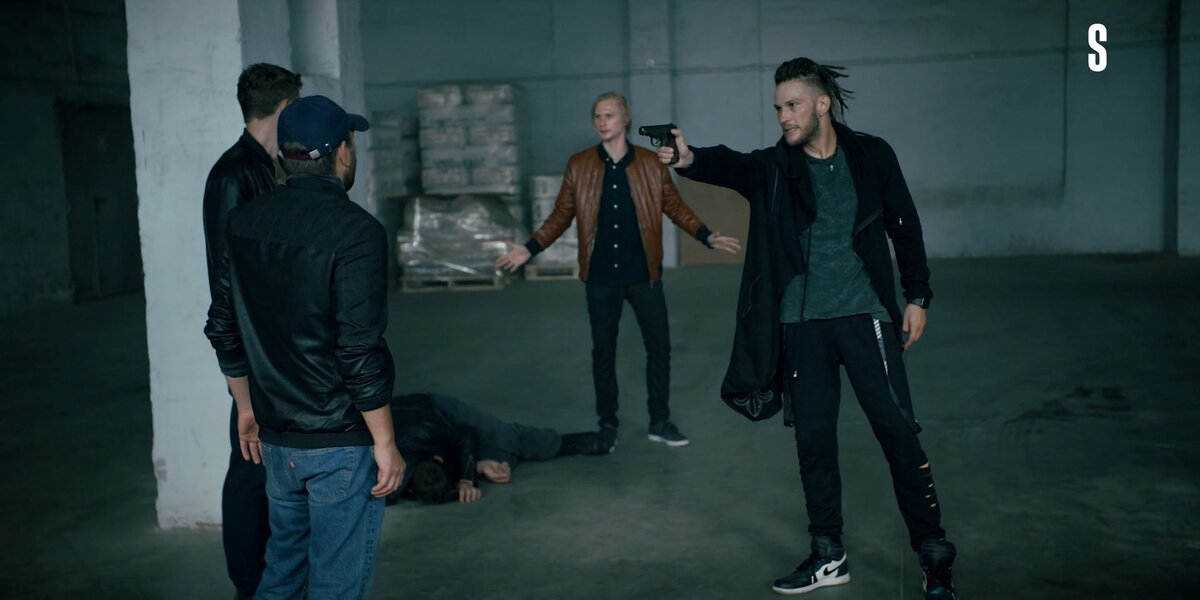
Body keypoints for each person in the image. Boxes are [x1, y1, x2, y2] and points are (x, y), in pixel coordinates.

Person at [660, 58, 958, 599]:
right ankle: (828, 553)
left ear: (822, 103)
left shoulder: (871, 155)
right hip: (801, 325)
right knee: (814, 441)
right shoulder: (775, 166)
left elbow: (903, 225)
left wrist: (917, 295)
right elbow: (729, 165)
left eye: (792, 105)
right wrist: (689, 157)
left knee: (896, 430)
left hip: (864, 316)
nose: (783, 116)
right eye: (778, 107)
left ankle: (933, 552)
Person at [205, 95, 403, 600]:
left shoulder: (244, 222)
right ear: (341, 152)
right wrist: (384, 441)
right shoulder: (358, 233)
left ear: (284, 155)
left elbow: (223, 327)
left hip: (277, 439)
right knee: (334, 582)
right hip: (340, 441)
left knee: (283, 573)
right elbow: (358, 350)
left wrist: (246, 407)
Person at [496, 92, 741, 452]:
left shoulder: (650, 163)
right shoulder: (579, 165)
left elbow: (674, 206)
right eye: (597, 116)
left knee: (659, 347)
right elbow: (561, 215)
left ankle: (659, 421)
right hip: (600, 278)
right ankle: (607, 426)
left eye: (609, 115)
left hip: (643, 274)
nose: (602, 121)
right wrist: (529, 248)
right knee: (603, 353)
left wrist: (705, 235)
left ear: (625, 119)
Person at [200, 62, 301, 600]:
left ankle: (272, 575)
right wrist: (240, 378)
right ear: (284, 108)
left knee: (265, 463)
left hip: (274, 344)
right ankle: (248, 583)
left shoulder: (269, 168)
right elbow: (225, 282)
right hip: (253, 350)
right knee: (249, 465)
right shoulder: (233, 175)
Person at [386, 393, 608, 505]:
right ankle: (492, 457)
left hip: (431, 408)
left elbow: (465, 434)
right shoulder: (390, 487)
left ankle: (560, 443)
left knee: (506, 441)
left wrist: (467, 478)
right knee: (501, 459)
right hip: (409, 432)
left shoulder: (430, 432)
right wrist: (479, 466)